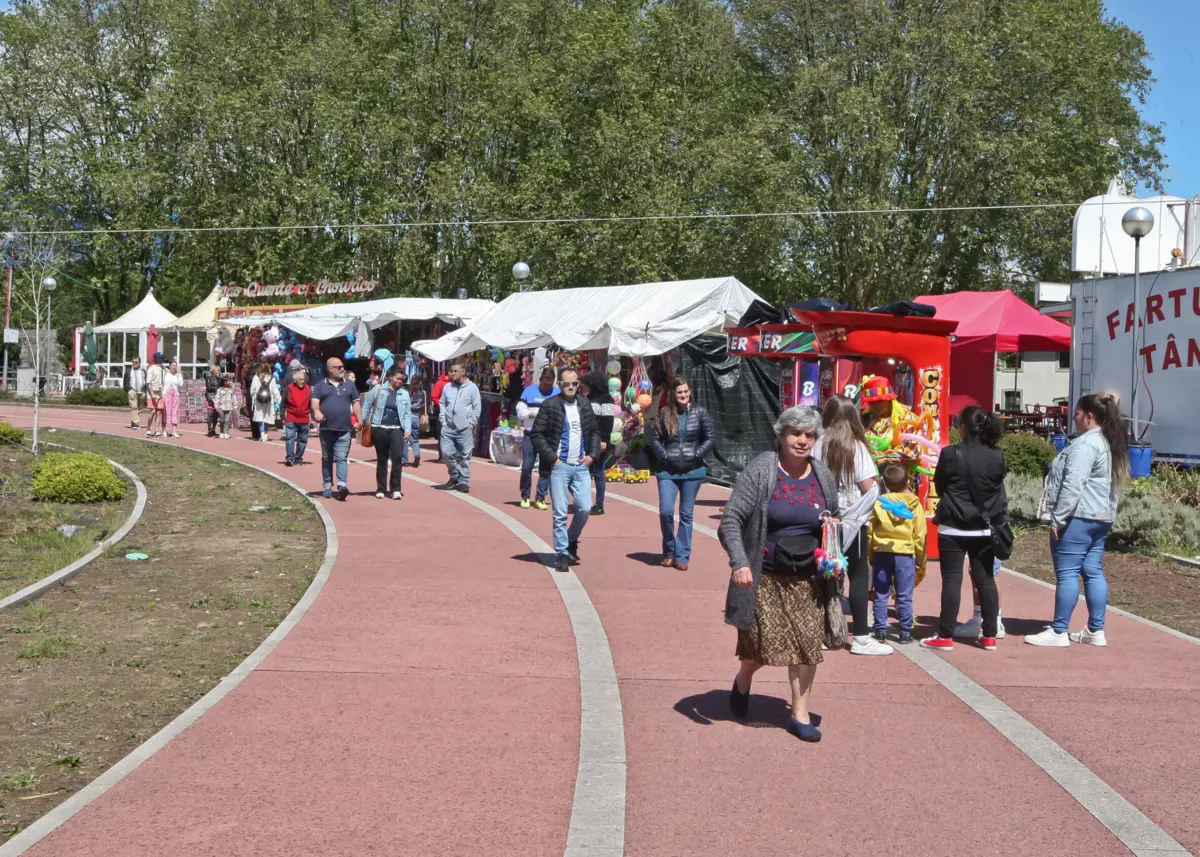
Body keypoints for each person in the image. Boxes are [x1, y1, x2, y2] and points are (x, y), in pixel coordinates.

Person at [720, 406, 840, 743]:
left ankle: (799, 713)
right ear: (782, 435)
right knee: (763, 647)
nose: (802, 441)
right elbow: (731, 520)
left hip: (809, 578)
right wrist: (740, 562)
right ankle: (745, 677)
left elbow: (836, 515)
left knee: (805, 645)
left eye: (809, 435)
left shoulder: (823, 475)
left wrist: (832, 528)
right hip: (767, 576)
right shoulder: (762, 469)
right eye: (796, 434)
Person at [1025, 393, 1127, 648]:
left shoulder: (1085, 445)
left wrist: (1058, 519)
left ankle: (1059, 630)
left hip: (1079, 516)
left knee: (1067, 573)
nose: (1074, 417)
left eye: (1078, 413)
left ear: (1089, 417)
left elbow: (1073, 485)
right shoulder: (1108, 442)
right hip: (1101, 517)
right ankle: (1095, 629)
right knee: (1093, 571)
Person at [922, 406, 1007, 652]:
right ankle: (990, 634)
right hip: (984, 527)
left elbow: (939, 483)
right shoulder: (997, 455)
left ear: (964, 427)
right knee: (986, 579)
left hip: (953, 525)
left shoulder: (950, 454)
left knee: (951, 579)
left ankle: (946, 635)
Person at [812, 395, 890, 656]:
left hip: (823, 522)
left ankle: (823, 632)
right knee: (857, 576)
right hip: (852, 522)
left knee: (823, 576)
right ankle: (862, 637)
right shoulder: (857, 447)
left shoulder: (817, 445)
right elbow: (869, 488)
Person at [530, 368, 600, 572]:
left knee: (585, 508)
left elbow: (594, 431)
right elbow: (537, 434)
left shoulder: (584, 405)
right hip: (560, 467)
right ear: (559, 385)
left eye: (575, 384)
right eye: (567, 384)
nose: (571, 387)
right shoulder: (550, 405)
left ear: (579, 385)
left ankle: (571, 540)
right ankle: (561, 553)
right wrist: (553, 459)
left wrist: (592, 456)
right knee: (560, 512)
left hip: (581, 466)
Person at [647, 376, 715, 570]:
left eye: (686, 391)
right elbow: (655, 439)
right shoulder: (664, 414)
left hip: (693, 472)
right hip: (668, 472)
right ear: (673, 394)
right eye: (679, 392)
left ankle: (682, 556)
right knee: (666, 511)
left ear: (689, 392)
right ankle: (669, 551)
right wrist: (665, 456)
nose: (683, 395)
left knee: (686, 514)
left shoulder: (700, 413)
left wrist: (697, 454)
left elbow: (710, 437)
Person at [869, 463, 926, 644]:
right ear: (907, 481)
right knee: (904, 595)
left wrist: (871, 553)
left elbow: (870, 530)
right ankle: (905, 632)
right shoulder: (914, 504)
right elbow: (920, 534)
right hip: (905, 553)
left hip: (882, 551)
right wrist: (920, 557)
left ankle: (879, 630)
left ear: (884, 482)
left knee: (881, 593)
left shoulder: (879, 503)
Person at [311, 357, 362, 501]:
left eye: (342, 367)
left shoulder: (350, 385)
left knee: (341, 457)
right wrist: (317, 412)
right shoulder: (321, 385)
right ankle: (327, 484)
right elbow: (315, 403)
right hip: (327, 428)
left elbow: (356, 403)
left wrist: (360, 420)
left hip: (344, 428)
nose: (342, 369)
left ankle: (342, 485)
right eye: (339, 367)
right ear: (330, 369)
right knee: (327, 457)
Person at [361, 365, 412, 499]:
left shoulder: (404, 394)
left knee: (396, 458)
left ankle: (395, 488)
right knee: (382, 459)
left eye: (402, 380)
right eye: (397, 379)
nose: (399, 382)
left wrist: (407, 429)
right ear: (390, 377)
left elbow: (407, 413)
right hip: (379, 427)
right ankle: (381, 488)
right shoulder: (378, 389)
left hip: (397, 429)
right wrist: (363, 421)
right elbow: (367, 405)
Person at [517, 368, 560, 509]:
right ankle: (525, 496)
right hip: (531, 435)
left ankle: (540, 498)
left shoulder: (557, 393)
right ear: (540, 380)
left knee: (545, 469)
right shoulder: (529, 391)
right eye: (545, 384)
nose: (547, 387)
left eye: (550, 384)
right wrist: (531, 414)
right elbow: (519, 411)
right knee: (527, 467)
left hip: (548, 437)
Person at [439, 363, 481, 493]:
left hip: (464, 428)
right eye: (450, 371)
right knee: (446, 453)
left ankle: (463, 481)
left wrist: (470, 424)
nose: (451, 373)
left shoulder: (472, 388)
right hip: (448, 427)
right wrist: (443, 421)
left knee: (465, 456)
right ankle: (454, 476)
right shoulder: (447, 387)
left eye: (455, 371)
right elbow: (442, 403)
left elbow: (477, 406)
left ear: (463, 372)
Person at [581, 372, 616, 517]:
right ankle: (585, 502)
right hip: (586, 438)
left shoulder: (607, 399)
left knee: (598, 472)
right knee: (585, 472)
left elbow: (608, 421)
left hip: (599, 438)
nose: (584, 386)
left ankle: (600, 504)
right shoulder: (588, 397)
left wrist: (605, 440)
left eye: (586, 383)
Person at [282, 368, 312, 466]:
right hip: (291, 418)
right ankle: (290, 458)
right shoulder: (288, 389)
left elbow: (312, 404)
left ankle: (298, 457)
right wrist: (283, 416)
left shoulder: (308, 389)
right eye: (300, 380)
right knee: (290, 438)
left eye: (303, 380)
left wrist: (314, 417)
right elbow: (283, 403)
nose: (302, 382)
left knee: (303, 440)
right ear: (294, 380)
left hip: (304, 418)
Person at [250, 366, 281, 442]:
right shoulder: (271, 378)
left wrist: (254, 396)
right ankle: (265, 435)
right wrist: (279, 400)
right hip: (268, 400)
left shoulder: (256, 378)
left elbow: (252, 391)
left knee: (260, 417)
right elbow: (275, 391)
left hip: (259, 400)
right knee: (267, 417)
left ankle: (262, 434)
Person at [406, 375, 426, 467]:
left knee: (405, 438)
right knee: (415, 439)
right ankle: (416, 455)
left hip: (407, 416)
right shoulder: (422, 392)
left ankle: (404, 459)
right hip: (416, 416)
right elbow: (422, 405)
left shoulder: (408, 391)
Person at [145, 353, 167, 438]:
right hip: (152, 393)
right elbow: (148, 383)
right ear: (157, 359)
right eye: (161, 358)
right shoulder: (151, 369)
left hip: (161, 392)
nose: (162, 360)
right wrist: (152, 394)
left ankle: (157, 430)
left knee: (159, 412)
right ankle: (148, 428)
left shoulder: (164, 368)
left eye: (163, 358)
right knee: (153, 411)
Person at [123, 357, 147, 431]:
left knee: (139, 408)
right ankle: (136, 423)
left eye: (136, 362)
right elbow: (125, 382)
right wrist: (128, 390)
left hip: (141, 392)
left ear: (139, 363)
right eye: (133, 362)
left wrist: (145, 391)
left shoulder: (143, 371)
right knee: (134, 407)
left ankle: (133, 421)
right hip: (132, 391)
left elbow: (146, 381)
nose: (134, 363)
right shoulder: (128, 371)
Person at [431, 370, 450, 463]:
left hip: (453, 412)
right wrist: (442, 406)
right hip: (441, 411)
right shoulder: (440, 383)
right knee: (442, 433)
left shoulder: (455, 383)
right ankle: (442, 456)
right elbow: (434, 396)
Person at [163, 359, 184, 438]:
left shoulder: (177, 375)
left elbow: (181, 384)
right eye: (172, 365)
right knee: (166, 412)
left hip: (175, 395)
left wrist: (180, 374)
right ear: (169, 366)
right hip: (166, 395)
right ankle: (164, 430)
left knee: (175, 412)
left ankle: (174, 431)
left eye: (175, 365)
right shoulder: (165, 374)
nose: (174, 367)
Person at [205, 363, 222, 437]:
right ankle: (209, 429)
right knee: (210, 414)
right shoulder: (208, 378)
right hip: (211, 397)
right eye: (217, 370)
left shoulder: (220, 379)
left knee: (216, 414)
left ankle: (213, 429)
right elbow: (208, 388)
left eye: (219, 370)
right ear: (213, 371)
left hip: (218, 398)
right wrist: (217, 389)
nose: (218, 372)